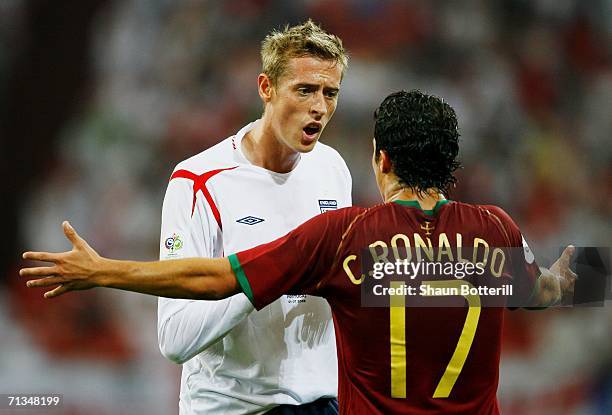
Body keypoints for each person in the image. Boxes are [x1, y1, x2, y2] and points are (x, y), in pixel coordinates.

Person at [21, 90, 576, 414]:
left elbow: (214, 280)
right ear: (452, 162)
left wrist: (104, 271)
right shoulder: (494, 232)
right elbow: (545, 291)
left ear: (380, 160)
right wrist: (582, 275)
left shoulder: (344, 238)